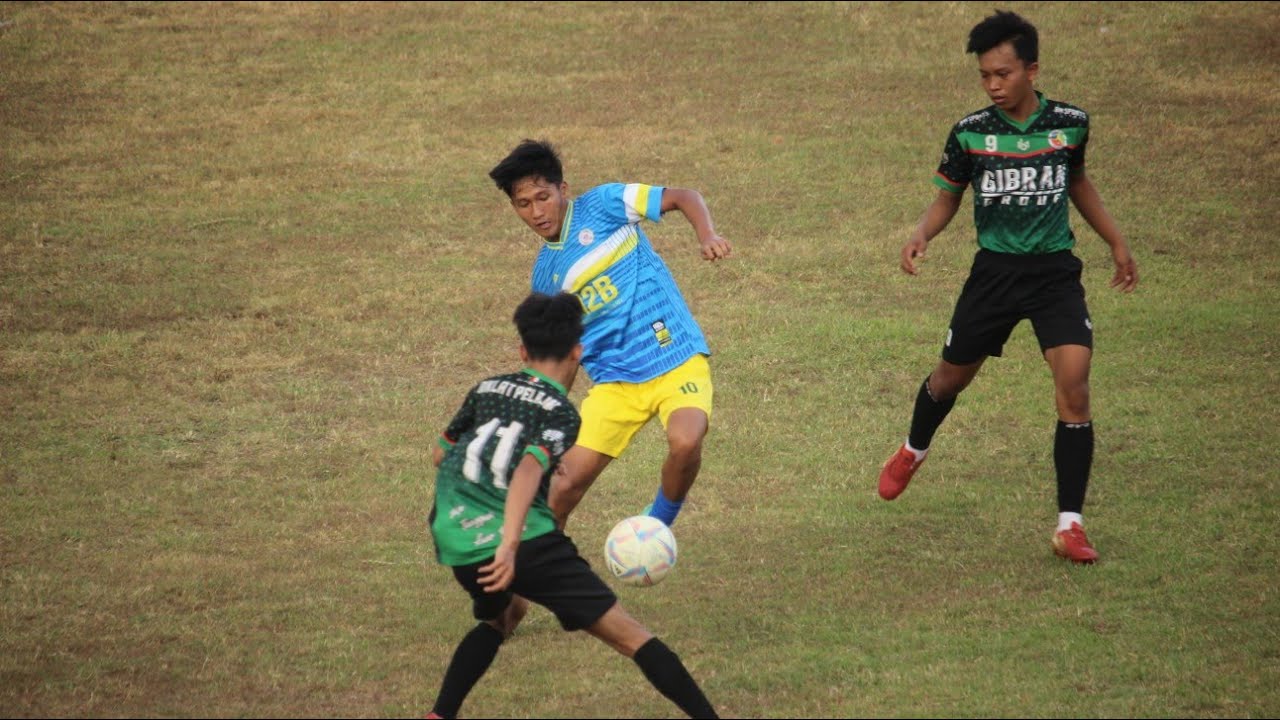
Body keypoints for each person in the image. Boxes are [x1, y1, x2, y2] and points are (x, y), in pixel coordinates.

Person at [876, 10, 1138, 564]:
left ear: (1031, 69)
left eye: (1003, 73)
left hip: (1054, 276)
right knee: (949, 380)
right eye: (985, 76)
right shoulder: (971, 132)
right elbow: (949, 195)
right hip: (993, 276)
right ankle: (912, 449)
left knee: (1075, 384)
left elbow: (1079, 183)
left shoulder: (1070, 123)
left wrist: (1115, 241)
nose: (993, 85)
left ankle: (1071, 525)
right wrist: (921, 233)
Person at [426, 292, 718, 719]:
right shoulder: (562, 414)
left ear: (522, 350)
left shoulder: (484, 389)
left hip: (456, 542)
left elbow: (440, 455)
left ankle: (440, 714)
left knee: (498, 619)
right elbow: (528, 470)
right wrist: (508, 543)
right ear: (578, 353)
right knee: (633, 637)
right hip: (522, 545)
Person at [488, 140, 732, 531]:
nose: (536, 212)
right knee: (561, 487)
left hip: (674, 356)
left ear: (562, 190)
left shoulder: (605, 205)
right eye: (523, 204)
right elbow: (565, 357)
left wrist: (707, 235)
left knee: (685, 441)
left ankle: (657, 525)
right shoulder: (546, 279)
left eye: (543, 197)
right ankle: (546, 575)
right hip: (616, 385)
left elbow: (685, 196)